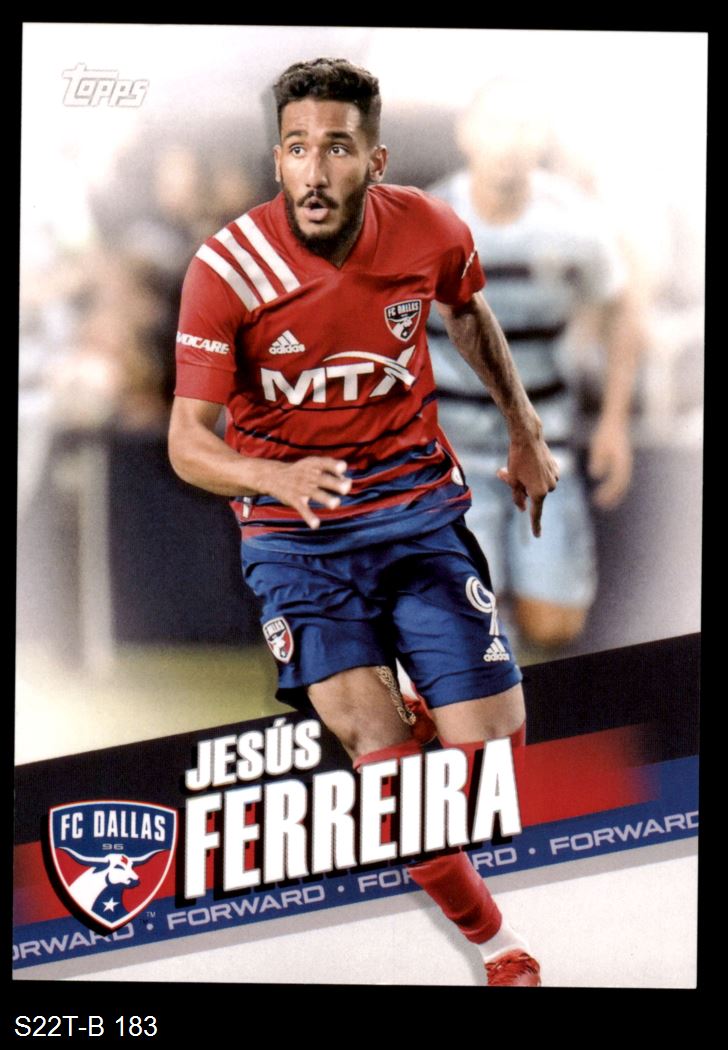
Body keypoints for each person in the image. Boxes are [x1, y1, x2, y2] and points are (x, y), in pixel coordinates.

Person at [168, 58, 559, 987]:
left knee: (489, 766)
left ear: (374, 161)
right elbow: (186, 441)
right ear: (277, 159)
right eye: (297, 148)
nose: (314, 170)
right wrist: (269, 474)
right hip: (296, 545)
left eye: (336, 148)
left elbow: (468, 311)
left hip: (417, 516)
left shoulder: (428, 227)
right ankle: (498, 948)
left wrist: (525, 427)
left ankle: (433, 705)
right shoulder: (227, 268)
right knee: (388, 773)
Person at [427, 78, 642, 655]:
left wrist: (615, 422)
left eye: (524, 127)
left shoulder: (575, 221)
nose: (510, 141)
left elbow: (623, 306)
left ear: (542, 139)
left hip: (545, 445)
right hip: (452, 453)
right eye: (497, 125)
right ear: (467, 134)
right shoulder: (428, 220)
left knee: (555, 625)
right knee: (468, 619)